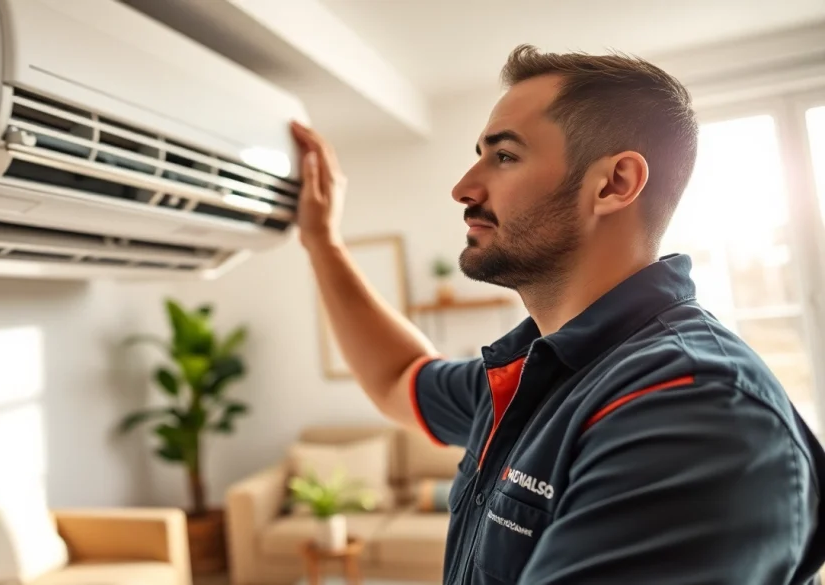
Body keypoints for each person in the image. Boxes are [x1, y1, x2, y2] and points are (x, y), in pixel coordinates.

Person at [290, 44, 825, 585]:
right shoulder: (534, 375)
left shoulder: (693, 407)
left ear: (614, 184)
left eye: (504, 156)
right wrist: (321, 242)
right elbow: (395, 379)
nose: (463, 189)